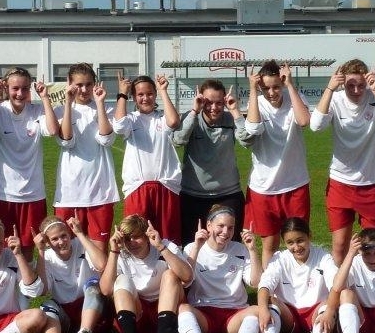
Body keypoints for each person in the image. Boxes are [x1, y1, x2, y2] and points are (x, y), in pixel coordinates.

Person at [310, 59, 375, 266]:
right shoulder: (335, 99)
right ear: (342, 83)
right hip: (340, 183)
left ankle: (371, 285)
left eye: (361, 85)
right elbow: (315, 126)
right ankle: (341, 284)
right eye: (351, 85)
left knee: (373, 244)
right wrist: (329, 89)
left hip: (373, 183)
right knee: (340, 245)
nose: (357, 90)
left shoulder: (373, 96)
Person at [0, 66, 59, 262]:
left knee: (27, 251)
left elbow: (53, 130)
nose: (20, 93)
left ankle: (26, 284)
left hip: (33, 195)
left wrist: (45, 98)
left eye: (25, 88)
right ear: (6, 88)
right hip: (1, 194)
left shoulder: (37, 110)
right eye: (15, 88)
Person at [244, 60, 311, 268]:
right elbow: (253, 129)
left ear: (282, 83)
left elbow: (304, 121)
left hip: (295, 184)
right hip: (264, 187)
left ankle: (299, 283)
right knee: (270, 244)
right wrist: (253, 90)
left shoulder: (294, 97)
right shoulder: (256, 103)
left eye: (276, 87)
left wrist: (290, 85)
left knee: (298, 240)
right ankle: (269, 286)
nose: (271, 93)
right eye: (266, 88)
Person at [171, 79, 253, 246]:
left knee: (230, 245)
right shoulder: (190, 117)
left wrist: (235, 111)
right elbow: (178, 140)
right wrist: (195, 111)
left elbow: (247, 140)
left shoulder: (230, 119)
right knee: (192, 246)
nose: (213, 107)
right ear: (201, 100)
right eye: (208, 102)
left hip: (228, 194)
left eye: (219, 103)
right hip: (193, 194)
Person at [177, 205, 263, 333]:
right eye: (221, 226)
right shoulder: (192, 247)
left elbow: (255, 282)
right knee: (183, 308)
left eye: (230, 228)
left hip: (234, 312)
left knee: (257, 310)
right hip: (203, 311)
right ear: (209, 225)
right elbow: (185, 281)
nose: (225, 232)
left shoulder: (240, 249)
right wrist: (197, 247)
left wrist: (252, 250)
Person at [99, 214, 192, 333]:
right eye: (127, 239)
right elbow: (106, 290)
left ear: (146, 236)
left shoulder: (165, 245)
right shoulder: (121, 253)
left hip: (167, 310)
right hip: (138, 313)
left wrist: (161, 247)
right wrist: (114, 251)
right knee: (121, 279)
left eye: (136, 237)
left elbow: (187, 277)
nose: (132, 243)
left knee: (170, 275)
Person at [53, 63, 120, 252]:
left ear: (95, 84)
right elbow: (66, 141)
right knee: (65, 251)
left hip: (100, 194)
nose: (84, 90)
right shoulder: (60, 110)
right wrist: (68, 103)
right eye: (79, 85)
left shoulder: (106, 108)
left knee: (99, 254)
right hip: (69, 193)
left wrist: (99, 104)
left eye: (88, 84)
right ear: (69, 83)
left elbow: (106, 139)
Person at [113, 74, 182, 245]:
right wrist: (122, 94)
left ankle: (168, 264)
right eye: (140, 94)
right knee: (136, 239)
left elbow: (174, 122)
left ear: (155, 94)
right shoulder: (131, 119)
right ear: (134, 97)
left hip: (165, 185)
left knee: (167, 240)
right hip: (137, 187)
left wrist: (163, 90)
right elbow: (119, 126)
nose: (145, 98)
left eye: (150, 93)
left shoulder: (162, 117)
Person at [257, 217, 338, 333]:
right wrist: (263, 310)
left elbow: (335, 286)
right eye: (290, 243)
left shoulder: (323, 256)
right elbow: (264, 285)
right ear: (284, 242)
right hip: (288, 316)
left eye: (300, 240)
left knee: (329, 303)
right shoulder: (279, 258)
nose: (296, 247)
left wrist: (330, 310)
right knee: (268, 300)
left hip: (315, 314)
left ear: (309, 236)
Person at [32, 214, 109, 333]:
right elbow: (42, 290)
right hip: (66, 315)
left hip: (91, 309)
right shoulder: (46, 257)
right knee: (47, 305)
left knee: (93, 287)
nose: (61, 242)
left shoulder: (81, 243)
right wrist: (40, 251)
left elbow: (102, 264)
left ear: (69, 233)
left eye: (64, 235)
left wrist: (80, 234)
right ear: (47, 242)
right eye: (54, 239)